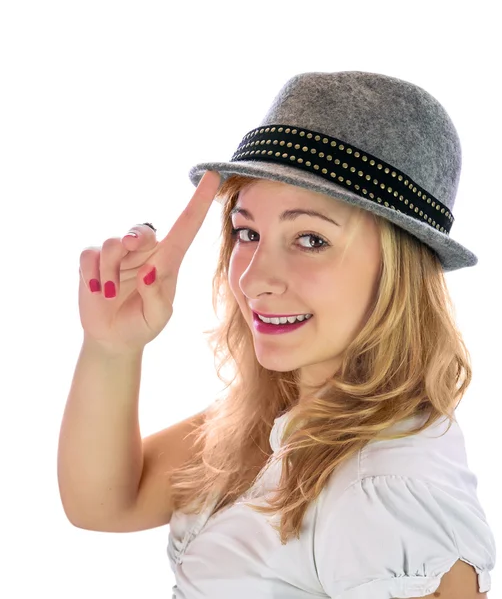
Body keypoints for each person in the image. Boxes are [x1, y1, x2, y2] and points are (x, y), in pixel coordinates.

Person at [58, 71, 496, 598]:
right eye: (248, 233)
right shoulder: (277, 415)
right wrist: (112, 347)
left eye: (310, 238)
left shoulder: (388, 489)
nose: (253, 278)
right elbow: (106, 503)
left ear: (399, 270)